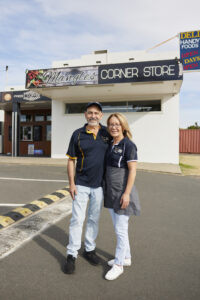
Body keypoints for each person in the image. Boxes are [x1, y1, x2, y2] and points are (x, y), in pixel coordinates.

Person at [64, 102, 110, 274]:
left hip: (99, 186)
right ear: (85, 114)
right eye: (90, 112)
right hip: (81, 184)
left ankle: (89, 250)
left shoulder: (107, 133)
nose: (93, 116)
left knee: (93, 219)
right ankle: (71, 254)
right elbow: (71, 160)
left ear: (101, 115)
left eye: (96, 113)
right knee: (77, 220)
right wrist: (71, 183)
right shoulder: (77, 135)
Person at [103, 113, 141, 280]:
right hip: (111, 190)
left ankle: (118, 265)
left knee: (120, 230)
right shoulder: (111, 143)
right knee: (119, 228)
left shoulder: (129, 145)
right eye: (111, 124)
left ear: (123, 126)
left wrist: (126, 194)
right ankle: (126, 258)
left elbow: (132, 170)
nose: (114, 127)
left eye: (117, 124)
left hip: (122, 192)